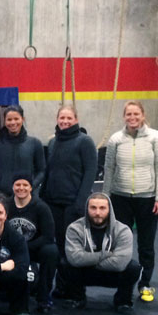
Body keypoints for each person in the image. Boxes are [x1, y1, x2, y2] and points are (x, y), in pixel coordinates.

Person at [103, 101, 158, 303]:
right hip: (120, 197)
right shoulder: (116, 139)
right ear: (124, 116)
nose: (132, 117)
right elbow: (109, 169)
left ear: (143, 115)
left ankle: (145, 284)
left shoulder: (155, 137)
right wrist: (105, 198)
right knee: (121, 244)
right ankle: (123, 285)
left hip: (147, 198)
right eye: (129, 114)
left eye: (136, 113)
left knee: (146, 245)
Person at [55, 193, 142, 314]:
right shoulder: (74, 228)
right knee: (65, 263)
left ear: (109, 210)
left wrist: (88, 260)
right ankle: (77, 298)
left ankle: (123, 301)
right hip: (85, 273)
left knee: (133, 267)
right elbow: (74, 258)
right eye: (93, 208)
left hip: (110, 273)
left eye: (102, 208)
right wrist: (104, 255)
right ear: (87, 209)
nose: (97, 212)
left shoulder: (123, 230)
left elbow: (119, 264)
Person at [39, 105, 97, 258]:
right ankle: (61, 279)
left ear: (76, 120)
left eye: (69, 118)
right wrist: (42, 198)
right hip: (53, 202)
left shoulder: (85, 141)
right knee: (58, 243)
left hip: (73, 203)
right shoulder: (53, 142)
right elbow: (48, 171)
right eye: (62, 118)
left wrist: (80, 202)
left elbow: (90, 172)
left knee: (73, 245)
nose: (65, 121)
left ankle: (75, 280)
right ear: (57, 120)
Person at [7, 173, 58, 314]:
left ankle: (43, 297)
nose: (21, 188)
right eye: (18, 185)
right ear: (12, 187)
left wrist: (25, 248)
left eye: (25, 185)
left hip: (34, 247)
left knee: (51, 251)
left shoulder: (41, 207)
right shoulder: (6, 205)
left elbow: (48, 236)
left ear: (31, 187)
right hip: (12, 249)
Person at [0, 105, 45, 195]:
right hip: (2, 195)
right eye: (9, 119)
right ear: (4, 121)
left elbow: (42, 171)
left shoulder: (35, 143)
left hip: (28, 195)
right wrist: (1, 185)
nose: (13, 122)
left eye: (16, 119)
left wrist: (30, 186)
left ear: (23, 119)